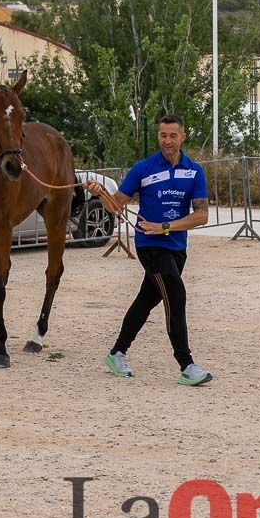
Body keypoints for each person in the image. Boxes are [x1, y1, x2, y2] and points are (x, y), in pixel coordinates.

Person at [83, 115, 213, 386]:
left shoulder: (194, 170)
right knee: (176, 294)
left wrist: (165, 226)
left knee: (146, 300)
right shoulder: (143, 168)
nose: (167, 141)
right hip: (150, 246)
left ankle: (117, 352)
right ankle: (186, 364)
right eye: (162, 135)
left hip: (176, 246)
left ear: (182, 137)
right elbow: (115, 204)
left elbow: (201, 216)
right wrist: (99, 193)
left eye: (172, 136)